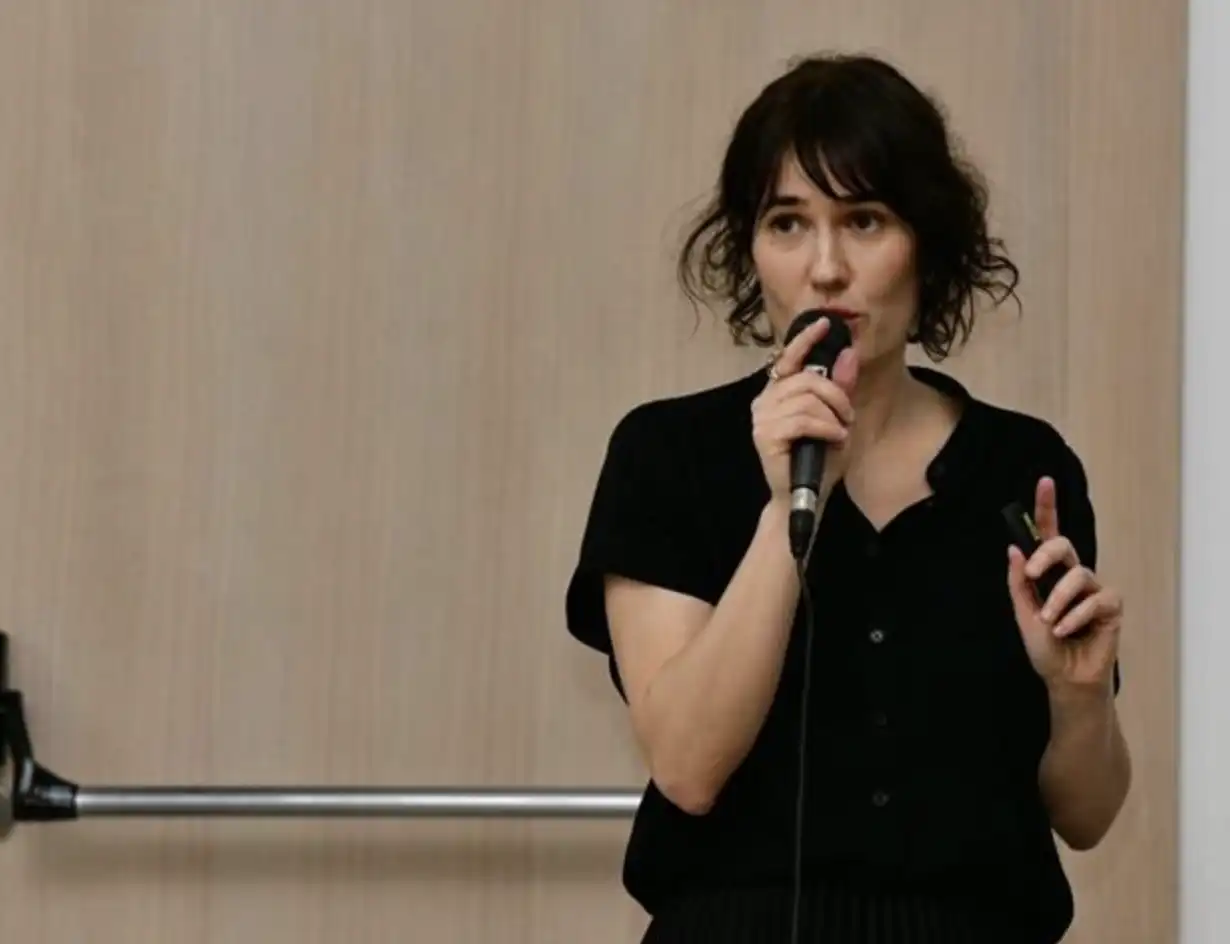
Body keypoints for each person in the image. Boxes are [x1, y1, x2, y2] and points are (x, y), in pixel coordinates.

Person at [564, 52, 1131, 943]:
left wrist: (1079, 694)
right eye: (788, 223)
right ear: (751, 249)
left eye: (864, 220)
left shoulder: (1023, 467)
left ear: (927, 242)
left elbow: (1086, 816)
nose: (826, 268)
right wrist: (788, 505)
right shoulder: (667, 454)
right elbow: (687, 767)